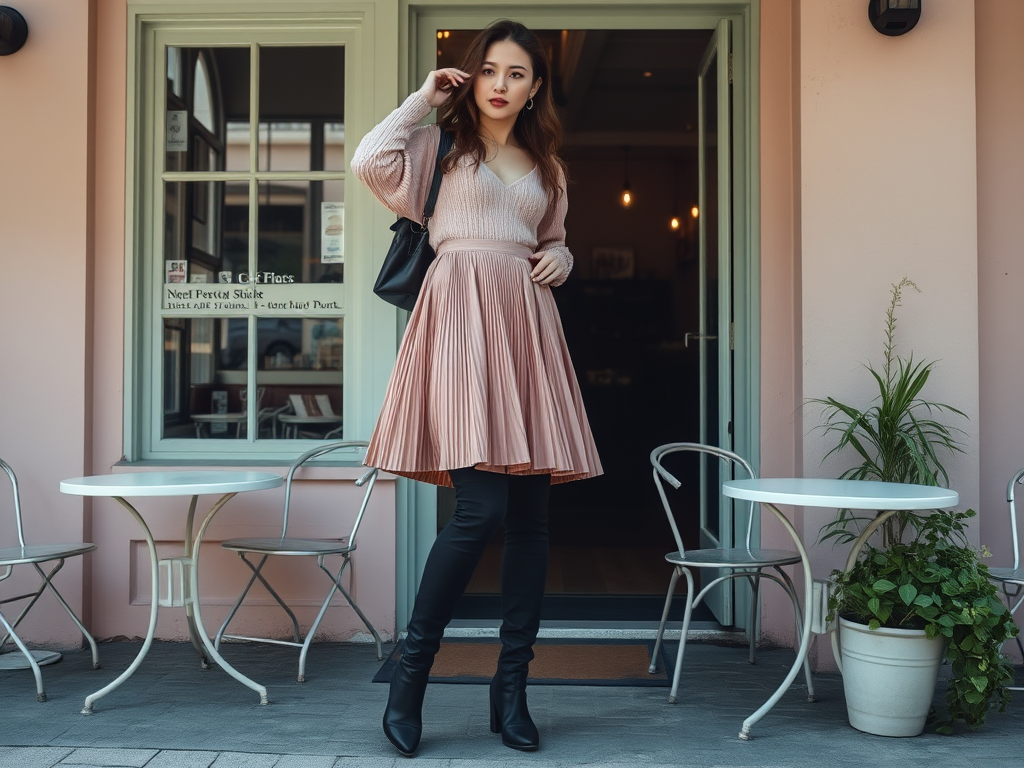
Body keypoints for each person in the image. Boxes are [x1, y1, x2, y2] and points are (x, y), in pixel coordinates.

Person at [351, 19, 602, 758]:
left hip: (526, 335)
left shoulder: (547, 166)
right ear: (473, 77)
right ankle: (411, 672)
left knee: (531, 518)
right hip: (458, 325)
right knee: (479, 507)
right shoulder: (436, 149)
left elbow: (551, 235)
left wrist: (564, 257)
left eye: (516, 73)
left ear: (535, 87)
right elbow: (370, 160)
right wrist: (420, 100)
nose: (500, 84)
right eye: (489, 70)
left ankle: (511, 689)